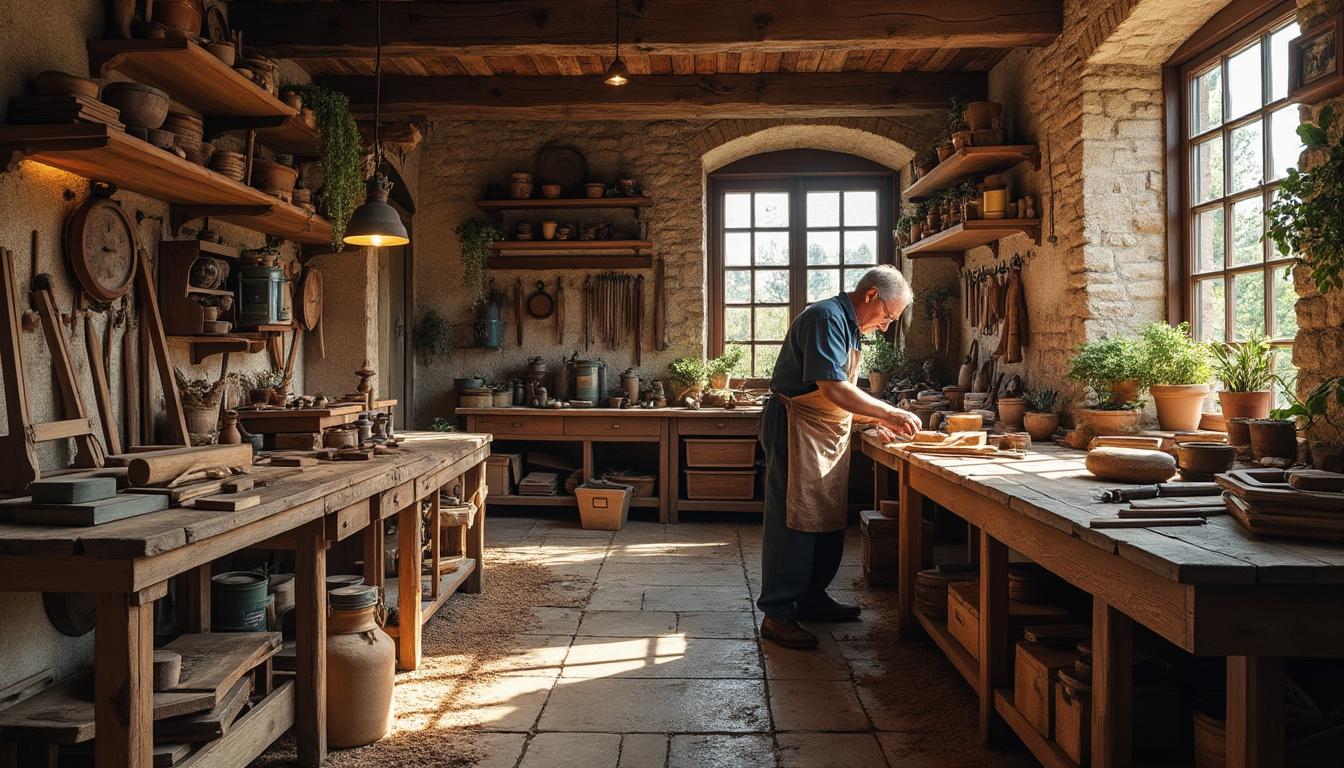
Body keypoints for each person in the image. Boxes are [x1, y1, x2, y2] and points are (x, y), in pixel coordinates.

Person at [756, 265, 921, 650]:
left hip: (821, 429)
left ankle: (812, 598)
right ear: (870, 296)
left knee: (825, 517)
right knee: (793, 519)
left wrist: (868, 422)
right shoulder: (826, 318)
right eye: (887, 316)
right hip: (795, 426)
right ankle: (777, 614)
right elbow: (832, 387)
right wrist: (888, 412)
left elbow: (839, 395)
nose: (885, 326)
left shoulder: (849, 326)